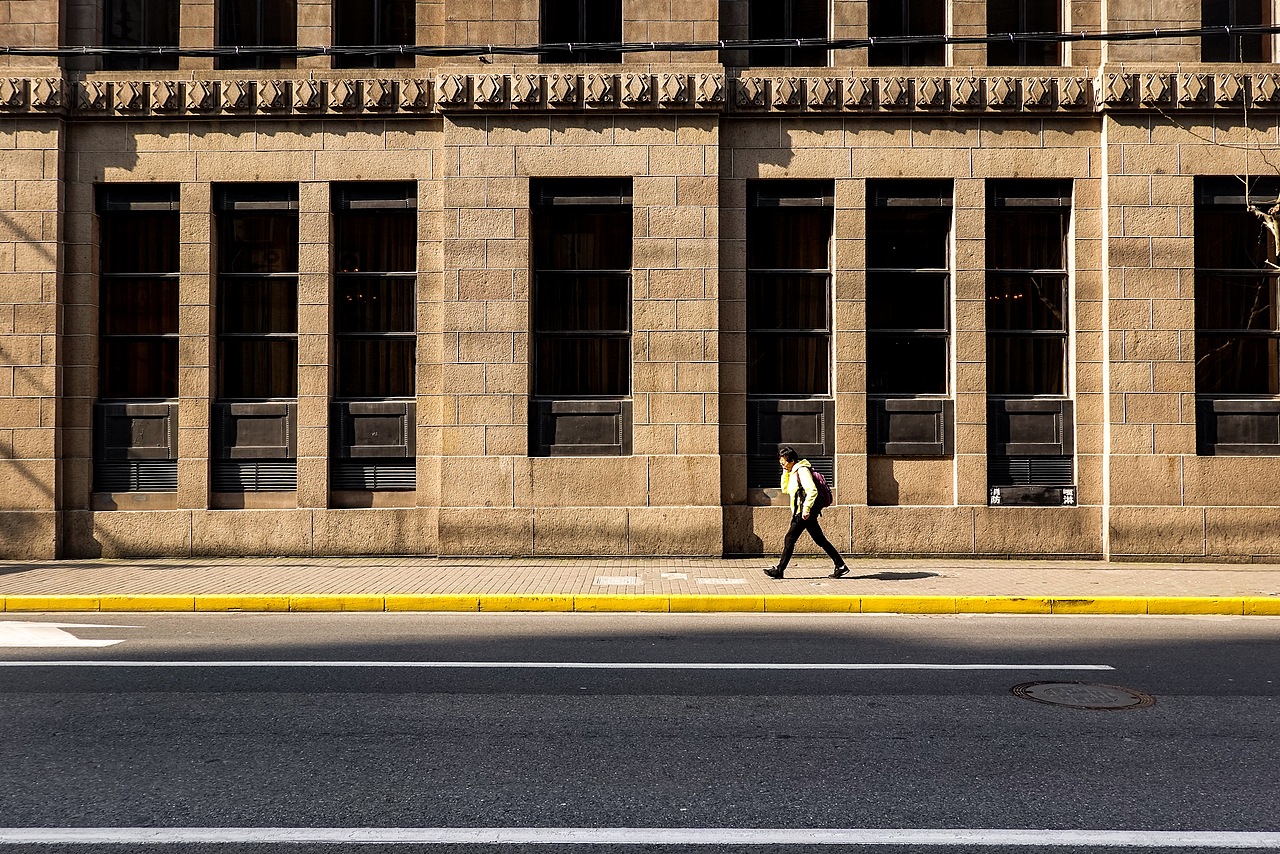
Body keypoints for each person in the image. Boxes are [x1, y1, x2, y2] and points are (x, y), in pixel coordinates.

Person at [764, 446, 849, 580]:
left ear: (791, 460)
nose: (782, 465)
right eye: (781, 463)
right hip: (801, 512)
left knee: (789, 539)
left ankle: (780, 570)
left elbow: (812, 490)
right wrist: (785, 472)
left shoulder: (802, 471)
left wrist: (806, 509)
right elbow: (785, 489)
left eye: (784, 463)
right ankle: (840, 565)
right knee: (820, 540)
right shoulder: (793, 472)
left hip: (803, 513)